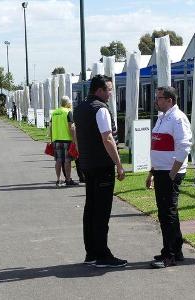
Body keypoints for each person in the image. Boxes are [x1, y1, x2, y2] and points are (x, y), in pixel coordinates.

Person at [74, 75, 126, 268]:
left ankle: (91, 252)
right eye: (109, 90)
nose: (111, 94)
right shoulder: (101, 109)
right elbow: (108, 138)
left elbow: (77, 136)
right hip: (102, 164)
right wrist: (119, 164)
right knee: (102, 211)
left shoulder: (79, 108)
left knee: (90, 209)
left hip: (87, 163)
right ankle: (102, 254)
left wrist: (82, 156)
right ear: (100, 90)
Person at [145, 86, 192, 268]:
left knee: (167, 213)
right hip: (161, 170)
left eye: (159, 98)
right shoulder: (162, 118)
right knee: (167, 212)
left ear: (170, 100)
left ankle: (170, 254)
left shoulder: (178, 118)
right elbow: (157, 147)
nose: (156, 101)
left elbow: (185, 146)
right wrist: (152, 172)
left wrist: (173, 172)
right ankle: (175, 250)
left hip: (170, 172)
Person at [49, 96, 78, 187]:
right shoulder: (68, 112)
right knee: (67, 161)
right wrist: (74, 140)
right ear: (67, 103)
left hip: (56, 139)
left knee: (58, 160)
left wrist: (51, 139)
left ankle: (58, 179)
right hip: (67, 139)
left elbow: (51, 127)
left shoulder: (54, 113)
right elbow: (71, 127)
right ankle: (68, 179)